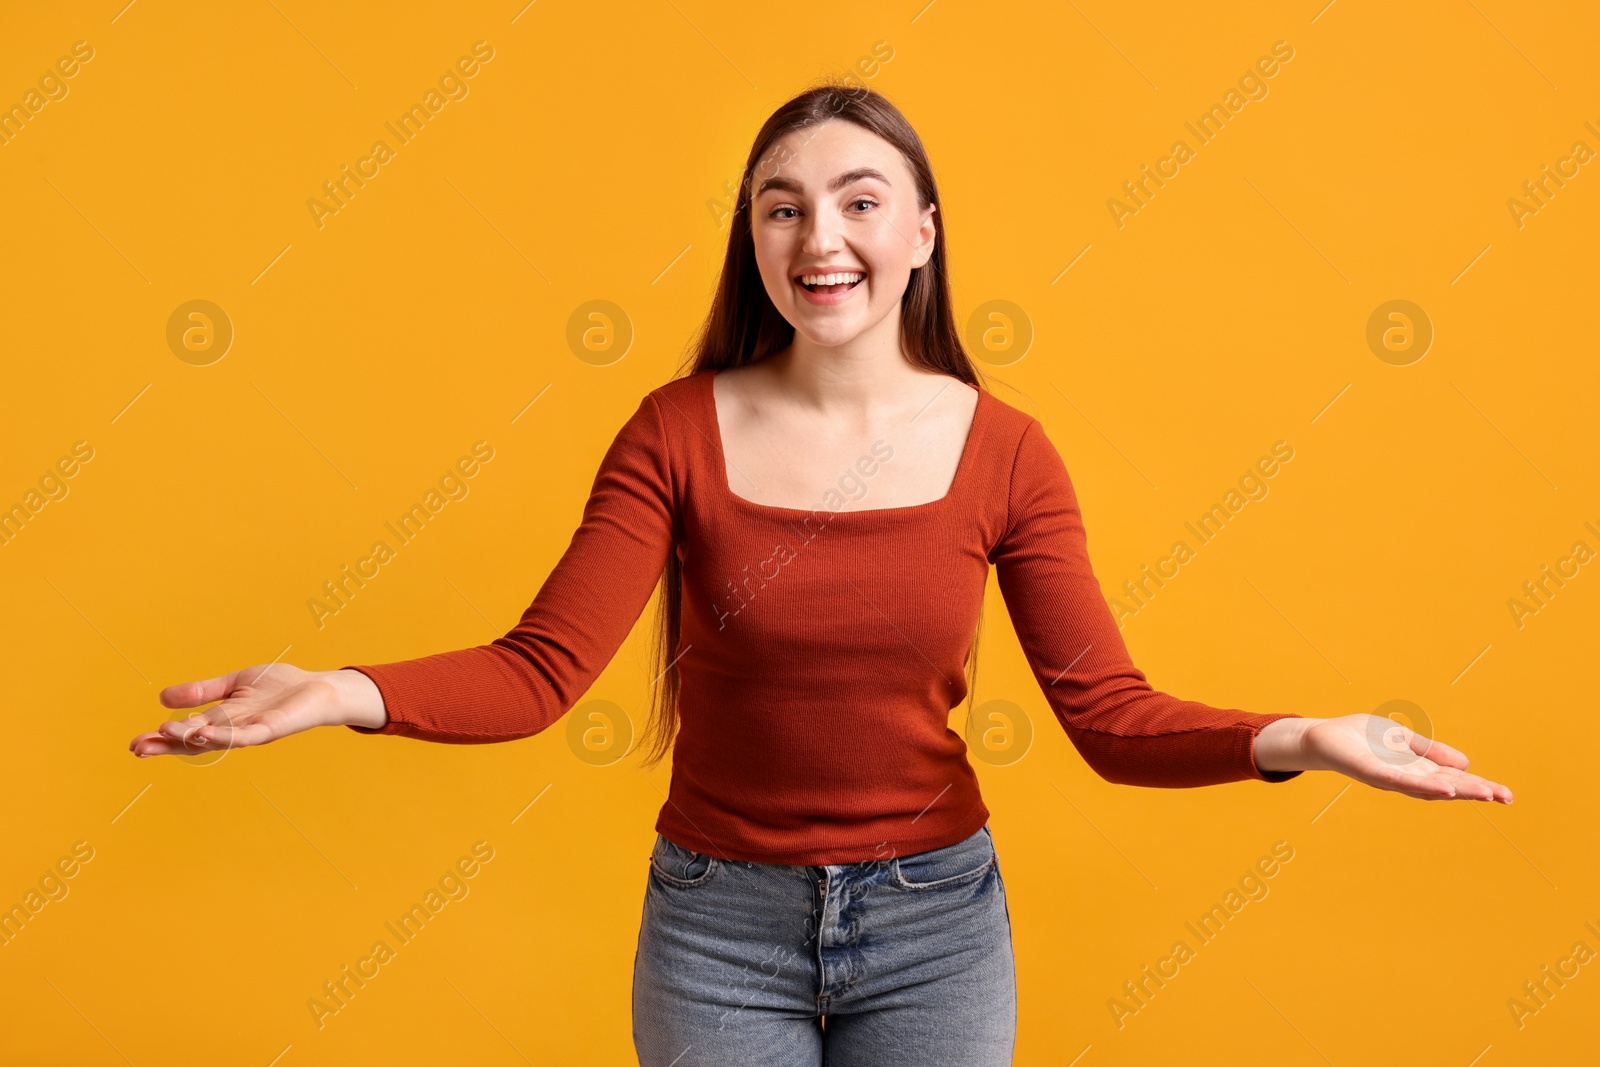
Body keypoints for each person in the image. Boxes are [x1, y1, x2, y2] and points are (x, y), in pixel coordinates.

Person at [128, 84, 1511, 1065]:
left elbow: (1110, 718)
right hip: (717, 927)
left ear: (922, 231)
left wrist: (1304, 740)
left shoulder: (1006, 453)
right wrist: (340, 691)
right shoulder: (678, 430)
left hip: (937, 928)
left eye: (858, 202)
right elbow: (539, 673)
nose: (818, 238)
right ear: (756, 242)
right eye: (780, 210)